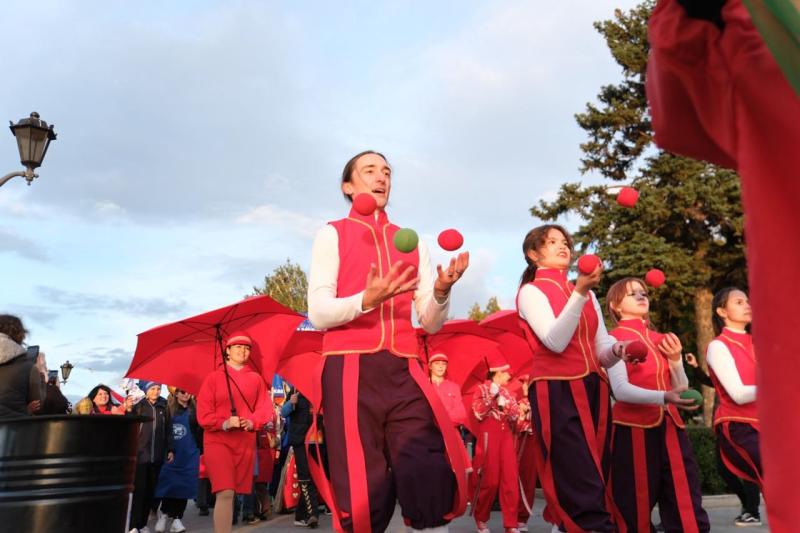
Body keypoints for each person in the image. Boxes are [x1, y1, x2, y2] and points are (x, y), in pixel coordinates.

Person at [307, 150, 470, 533]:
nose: (381, 178)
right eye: (369, 171)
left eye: (386, 172)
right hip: (350, 366)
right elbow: (318, 312)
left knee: (426, 467)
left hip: (403, 367)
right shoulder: (333, 233)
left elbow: (430, 321)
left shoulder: (412, 243)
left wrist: (442, 291)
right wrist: (366, 299)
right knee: (364, 485)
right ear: (348, 186)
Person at [516, 225, 635, 532]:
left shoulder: (587, 294)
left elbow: (601, 350)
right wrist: (579, 293)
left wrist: (618, 350)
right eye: (551, 242)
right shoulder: (531, 292)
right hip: (555, 388)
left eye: (565, 242)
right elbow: (555, 342)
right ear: (533, 254)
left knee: (596, 469)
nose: (563, 247)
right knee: (576, 471)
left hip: (594, 386)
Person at [605, 277, 710, 532]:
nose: (641, 296)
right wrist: (664, 397)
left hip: (671, 427)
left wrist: (675, 360)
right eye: (632, 294)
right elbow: (620, 390)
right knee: (633, 505)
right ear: (615, 306)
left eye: (643, 292)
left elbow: (681, 387)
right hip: (632, 429)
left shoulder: (662, 338)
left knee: (684, 498)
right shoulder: (612, 339)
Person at [196, 332, 270, 533]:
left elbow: (265, 410)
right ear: (227, 351)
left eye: (247, 348)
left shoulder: (256, 379)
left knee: (235, 492)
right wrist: (224, 423)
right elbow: (203, 414)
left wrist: (252, 421)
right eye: (238, 347)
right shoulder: (213, 378)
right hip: (217, 440)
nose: (242, 351)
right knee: (225, 491)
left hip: (245, 442)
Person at [685, 352, 762, 526]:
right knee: (723, 468)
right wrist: (695, 366)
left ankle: (753, 512)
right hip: (726, 425)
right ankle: (747, 505)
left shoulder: (751, 367)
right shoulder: (727, 373)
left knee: (748, 467)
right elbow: (710, 381)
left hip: (746, 424)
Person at [706, 289, 763, 496]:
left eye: (747, 301)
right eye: (739, 302)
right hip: (741, 426)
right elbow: (738, 394)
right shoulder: (718, 346)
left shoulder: (760, 343)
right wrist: (777, 387)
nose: (747, 305)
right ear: (722, 311)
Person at [470, 354, 531, 533]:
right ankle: (481, 517)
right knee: (490, 480)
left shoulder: (509, 394)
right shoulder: (481, 389)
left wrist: (521, 411)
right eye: (507, 373)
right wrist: (492, 397)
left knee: (510, 479)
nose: (509, 376)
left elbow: (515, 421)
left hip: (506, 437)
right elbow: (478, 413)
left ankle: (511, 523)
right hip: (489, 435)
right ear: (497, 373)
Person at [128, 380, 174, 533]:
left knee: (150, 492)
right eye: (153, 388)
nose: (156, 391)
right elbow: (130, 427)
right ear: (146, 390)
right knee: (139, 492)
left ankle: (143, 524)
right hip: (141, 456)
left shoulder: (164, 406)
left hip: (157, 456)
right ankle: (134, 525)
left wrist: (170, 449)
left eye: (158, 388)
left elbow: (169, 430)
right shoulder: (139, 406)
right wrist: (129, 410)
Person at [153, 388, 201, 533]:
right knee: (170, 485)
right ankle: (164, 514)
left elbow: (200, 433)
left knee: (184, 486)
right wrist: (167, 449)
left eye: (188, 391)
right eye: (182, 391)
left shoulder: (196, 411)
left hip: (190, 454)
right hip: (172, 454)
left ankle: (177, 518)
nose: (185, 394)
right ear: (176, 393)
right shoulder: (169, 410)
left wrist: (200, 449)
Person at [281, 386, 322, 528]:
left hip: (317, 441)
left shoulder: (320, 389)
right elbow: (283, 412)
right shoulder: (295, 390)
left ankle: (300, 514)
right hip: (300, 440)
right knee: (304, 476)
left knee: (316, 477)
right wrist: (290, 403)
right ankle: (312, 514)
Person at [0, 314, 46, 419]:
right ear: (20, 335)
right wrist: (42, 382)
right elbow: (38, 405)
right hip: (13, 426)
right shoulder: (28, 367)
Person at [428, 352, 468, 428]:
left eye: (444, 364)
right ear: (430, 366)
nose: (440, 366)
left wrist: (442, 418)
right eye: (437, 363)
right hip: (429, 430)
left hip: (450, 430)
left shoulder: (454, 387)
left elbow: (461, 414)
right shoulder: (424, 385)